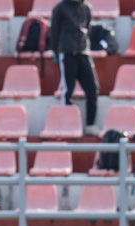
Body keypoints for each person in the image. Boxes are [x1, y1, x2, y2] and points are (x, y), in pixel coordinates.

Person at [49, 0, 98, 131]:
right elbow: (54, 33)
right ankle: (66, 126)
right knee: (68, 90)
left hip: (83, 52)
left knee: (92, 89)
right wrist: (59, 51)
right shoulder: (60, 8)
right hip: (67, 52)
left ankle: (90, 125)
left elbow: (88, 28)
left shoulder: (86, 7)